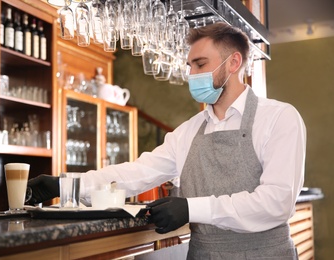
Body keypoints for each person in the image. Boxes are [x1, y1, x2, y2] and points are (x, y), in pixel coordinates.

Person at [28, 22, 306, 259]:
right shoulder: (188, 131)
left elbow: (276, 202)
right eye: (190, 66)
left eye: (200, 64)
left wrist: (190, 208)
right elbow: (136, 173)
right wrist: (65, 184)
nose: (192, 75)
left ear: (233, 62)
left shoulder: (279, 118)